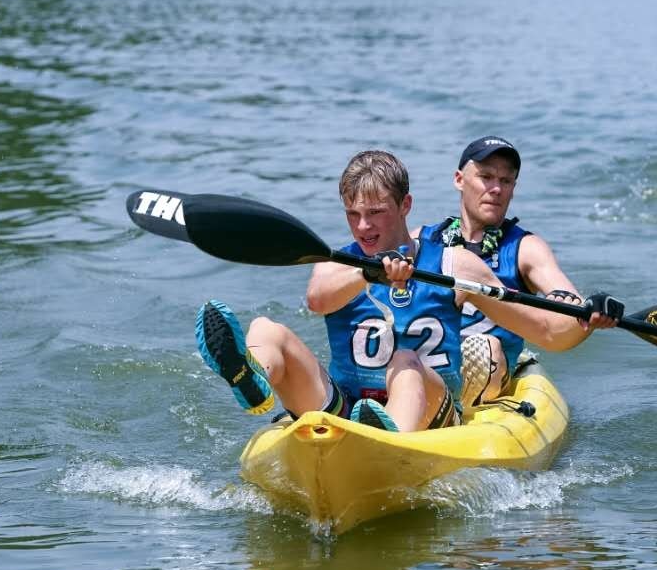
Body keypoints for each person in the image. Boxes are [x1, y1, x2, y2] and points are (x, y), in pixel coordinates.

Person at [195, 150, 614, 433]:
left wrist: (586, 321)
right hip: (345, 406)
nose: (363, 227)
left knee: (405, 361)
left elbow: (545, 332)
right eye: (353, 214)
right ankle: (252, 379)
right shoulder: (335, 260)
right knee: (268, 331)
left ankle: (386, 441)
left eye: (375, 213)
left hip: (431, 415)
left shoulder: (455, 264)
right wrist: (369, 273)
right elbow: (318, 300)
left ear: (405, 206)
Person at [417, 136, 622, 408]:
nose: (496, 189)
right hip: (428, 363)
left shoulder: (525, 248)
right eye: (486, 177)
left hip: (490, 370)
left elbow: (563, 298)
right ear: (459, 180)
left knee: (484, 348)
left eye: (506, 181)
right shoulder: (423, 240)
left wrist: (589, 310)